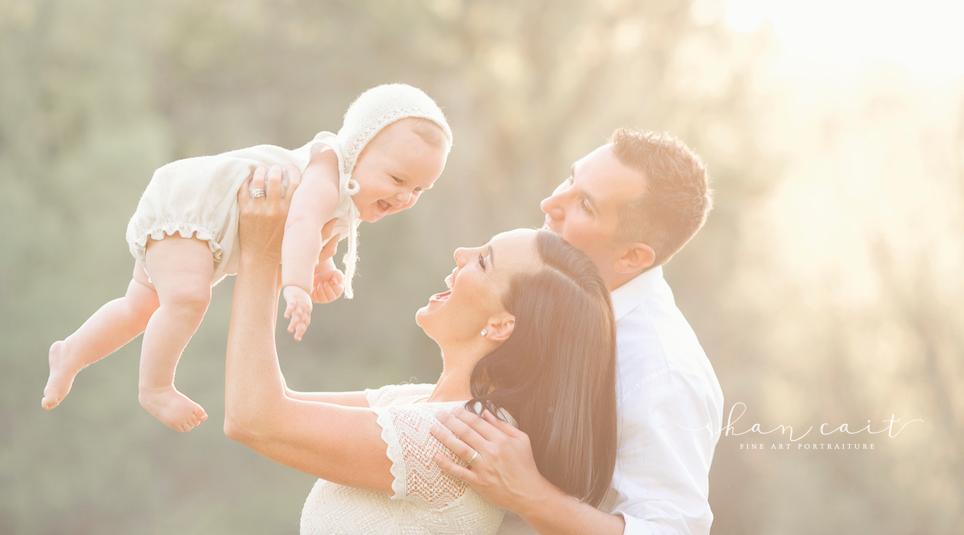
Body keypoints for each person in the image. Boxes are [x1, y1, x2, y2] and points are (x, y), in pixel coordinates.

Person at [225, 164, 618, 535]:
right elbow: (269, 399)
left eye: (483, 261)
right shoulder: (421, 403)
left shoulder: (459, 435)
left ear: (501, 324)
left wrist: (261, 255)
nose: (461, 254)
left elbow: (254, 417)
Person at [41, 83, 452, 432]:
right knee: (187, 301)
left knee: (140, 305)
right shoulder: (327, 173)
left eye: (419, 190)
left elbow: (319, 239)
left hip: (201, 230)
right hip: (195, 209)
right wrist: (295, 284)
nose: (404, 197)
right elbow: (303, 224)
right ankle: (155, 388)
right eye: (398, 179)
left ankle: (71, 352)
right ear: (357, 148)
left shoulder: (347, 201)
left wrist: (321, 270)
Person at [433, 128, 724, 535]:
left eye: (584, 205)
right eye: (570, 180)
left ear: (632, 256)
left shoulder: (662, 372)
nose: (549, 204)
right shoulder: (546, 292)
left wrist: (531, 495)